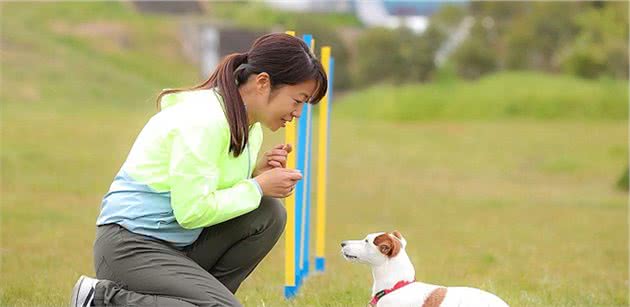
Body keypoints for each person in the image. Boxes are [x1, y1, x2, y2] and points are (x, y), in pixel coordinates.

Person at [69, 32, 328, 307]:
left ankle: (204, 299)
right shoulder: (205, 121)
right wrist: (257, 187)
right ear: (263, 82)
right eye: (297, 100)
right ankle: (101, 299)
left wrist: (253, 175)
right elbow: (191, 211)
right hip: (131, 247)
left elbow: (207, 187)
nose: (298, 112)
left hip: (176, 246)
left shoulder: (249, 128)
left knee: (268, 213)